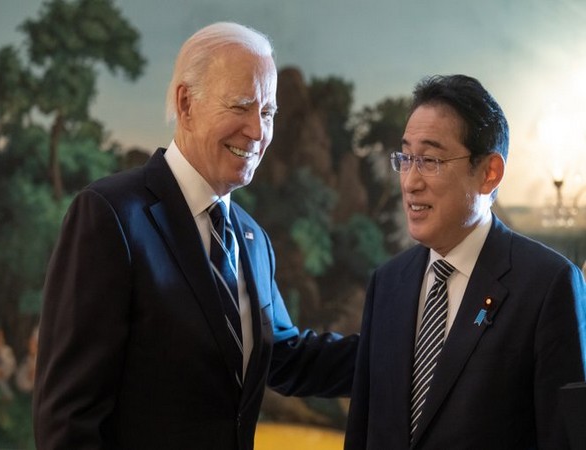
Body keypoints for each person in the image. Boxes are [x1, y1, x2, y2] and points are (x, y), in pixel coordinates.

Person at [33, 22, 357, 450]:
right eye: (242, 106)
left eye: (267, 113)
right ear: (186, 104)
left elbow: (285, 356)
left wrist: (410, 340)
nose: (258, 132)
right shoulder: (110, 216)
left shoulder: (251, 238)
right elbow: (67, 421)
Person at [344, 74, 586, 449]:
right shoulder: (388, 283)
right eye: (406, 158)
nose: (410, 182)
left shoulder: (547, 285)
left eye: (430, 160)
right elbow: (361, 431)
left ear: (489, 173)